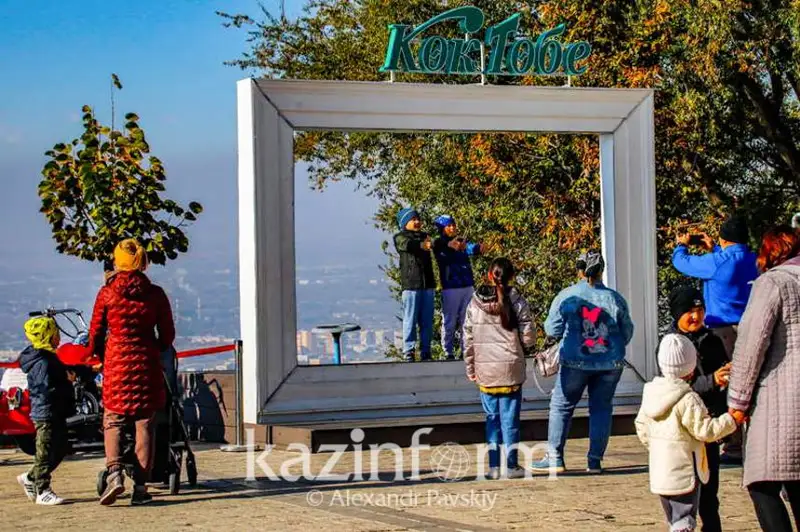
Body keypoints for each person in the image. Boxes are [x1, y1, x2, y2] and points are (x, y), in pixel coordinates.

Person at [530, 250, 634, 474]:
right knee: (601, 409)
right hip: (610, 362)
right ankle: (594, 461)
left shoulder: (567, 296)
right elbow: (627, 332)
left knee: (561, 406)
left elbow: (552, 329)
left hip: (576, 361)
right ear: (602, 270)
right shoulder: (615, 298)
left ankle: (555, 457)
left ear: (578, 270)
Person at [89, 239, 175, 506]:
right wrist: (153, 347)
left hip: (116, 363)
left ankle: (114, 473)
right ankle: (141, 486)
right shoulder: (156, 294)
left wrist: (96, 355)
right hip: (146, 363)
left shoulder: (107, 293)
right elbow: (168, 334)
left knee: (113, 419)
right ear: (143, 262)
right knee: (144, 424)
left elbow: (96, 331)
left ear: (117, 261)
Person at [728, 225, 800, 532]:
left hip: (781, 403)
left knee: (763, 483)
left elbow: (751, 344)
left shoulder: (773, 283)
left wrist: (737, 401)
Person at [635, 334, 745, 532]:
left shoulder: (651, 393)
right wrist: (732, 420)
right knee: (685, 520)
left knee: (673, 518)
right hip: (685, 471)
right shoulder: (688, 398)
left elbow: (641, 426)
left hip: (661, 471)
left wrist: (657, 448)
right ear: (691, 367)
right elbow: (705, 430)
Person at [463, 258, 535, 479]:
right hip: (511, 369)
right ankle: (512, 465)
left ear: (488, 275)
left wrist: (471, 368)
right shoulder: (518, 301)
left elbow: (468, 339)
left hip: (486, 372)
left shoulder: (474, 304)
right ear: (511, 276)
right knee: (510, 421)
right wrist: (523, 349)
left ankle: (494, 466)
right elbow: (529, 335)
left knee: (492, 419)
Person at [667, 286, 732, 532]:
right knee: (683, 490)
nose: (696, 316)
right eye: (689, 312)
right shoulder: (670, 346)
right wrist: (712, 380)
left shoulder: (712, 340)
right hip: (682, 431)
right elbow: (679, 387)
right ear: (677, 314)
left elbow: (721, 375)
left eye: (700, 310)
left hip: (707, 427)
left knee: (709, 488)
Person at [672, 215, 759, 358]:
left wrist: (682, 245)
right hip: (752, 330)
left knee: (725, 376)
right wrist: (715, 249)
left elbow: (680, 262)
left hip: (722, 332)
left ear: (723, 239)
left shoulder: (716, 263)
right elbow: (732, 260)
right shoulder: (756, 259)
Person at [16, 316, 75, 506]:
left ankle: (31, 477)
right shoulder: (43, 361)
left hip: (54, 411)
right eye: (55, 333)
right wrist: (67, 382)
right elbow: (45, 388)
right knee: (45, 452)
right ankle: (42, 489)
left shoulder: (48, 357)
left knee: (60, 447)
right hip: (46, 412)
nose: (58, 337)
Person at [433, 214, 482, 360]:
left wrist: (479, 247)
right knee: (449, 320)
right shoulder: (439, 244)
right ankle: (447, 351)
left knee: (466, 320)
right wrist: (449, 245)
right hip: (450, 287)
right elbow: (438, 246)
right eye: (448, 225)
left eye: (453, 225)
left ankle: (465, 349)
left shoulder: (460, 242)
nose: (452, 228)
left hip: (467, 285)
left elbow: (470, 248)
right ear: (442, 228)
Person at [393, 207, 435, 362]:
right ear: (405, 223)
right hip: (411, 285)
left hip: (427, 285)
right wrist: (422, 246)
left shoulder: (426, 236)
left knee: (427, 321)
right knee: (410, 319)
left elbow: (435, 245)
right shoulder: (400, 237)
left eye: (418, 219)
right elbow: (409, 245)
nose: (417, 222)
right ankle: (409, 351)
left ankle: (426, 351)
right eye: (413, 219)